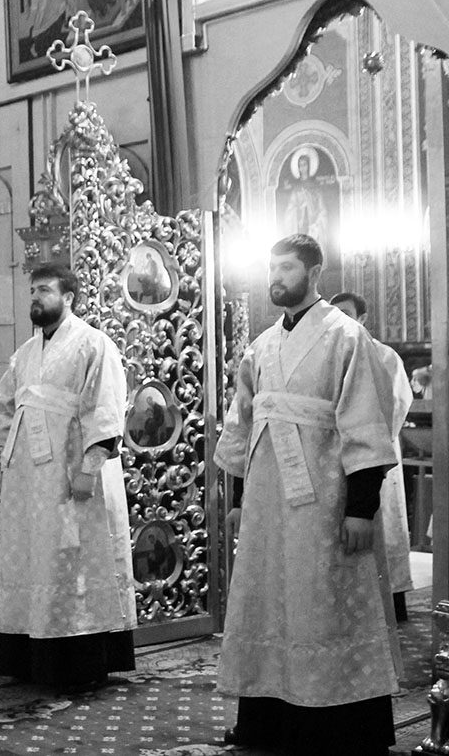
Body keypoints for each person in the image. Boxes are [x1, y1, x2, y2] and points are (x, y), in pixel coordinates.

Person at [216, 235, 400, 756]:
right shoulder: (261, 345)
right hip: (266, 505)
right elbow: (243, 426)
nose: (275, 277)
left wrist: (361, 509)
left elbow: (366, 423)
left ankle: (334, 728)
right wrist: (238, 498)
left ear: (314, 273)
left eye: (287, 268)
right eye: (272, 267)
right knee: (268, 603)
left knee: (323, 605)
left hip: (324, 500)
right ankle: (267, 720)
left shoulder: (347, 337)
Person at [0, 261, 136, 690]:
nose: (35, 297)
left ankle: (79, 662)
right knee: (34, 559)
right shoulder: (26, 353)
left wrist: (89, 468)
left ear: (68, 297)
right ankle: (33, 658)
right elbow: (1, 406)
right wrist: (2, 456)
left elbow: (105, 408)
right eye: (33, 290)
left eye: (44, 290)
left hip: (71, 472)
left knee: (73, 559)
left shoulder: (94, 344)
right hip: (28, 478)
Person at [330, 290, 415, 621]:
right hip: (337, 458)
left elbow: (395, 406)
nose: (340, 320)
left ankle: (392, 605)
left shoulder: (384, 355)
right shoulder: (329, 352)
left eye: (347, 313)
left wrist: (364, 441)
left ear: (362, 318)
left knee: (383, 531)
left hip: (375, 457)